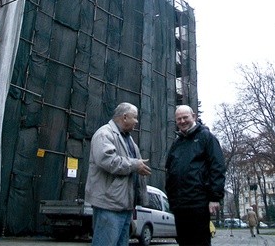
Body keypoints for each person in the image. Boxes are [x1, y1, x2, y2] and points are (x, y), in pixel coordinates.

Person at [85, 102, 151, 246]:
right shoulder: (104, 134)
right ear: (125, 117)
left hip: (124, 205)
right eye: (135, 117)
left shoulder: (128, 138)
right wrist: (135, 164)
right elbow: (109, 161)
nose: (137, 121)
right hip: (109, 204)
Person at [165, 105, 226, 246]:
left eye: (185, 117)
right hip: (180, 204)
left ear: (193, 116)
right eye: (178, 119)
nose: (182, 121)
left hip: (199, 202)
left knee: (200, 241)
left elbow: (217, 167)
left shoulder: (206, 137)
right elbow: (170, 169)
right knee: (183, 241)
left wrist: (215, 197)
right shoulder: (177, 142)